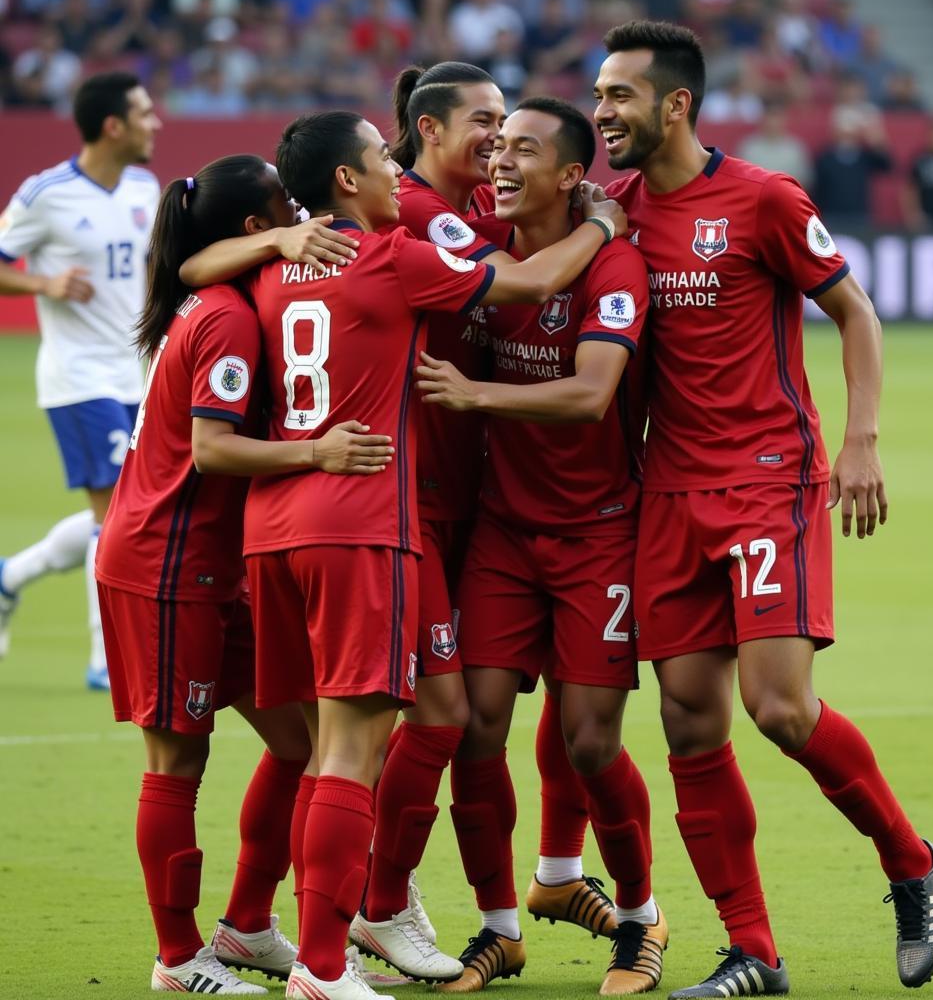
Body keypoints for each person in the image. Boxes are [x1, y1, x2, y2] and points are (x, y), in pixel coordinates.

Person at [192, 109, 626, 1000]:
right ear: (347, 182)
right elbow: (528, 279)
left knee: (326, 750)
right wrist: (601, 225)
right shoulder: (388, 256)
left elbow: (195, 269)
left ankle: (278, 932)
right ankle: (321, 965)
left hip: (275, 529)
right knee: (351, 753)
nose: (396, 172)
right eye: (378, 160)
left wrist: (278, 234)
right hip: (359, 521)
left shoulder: (278, 261)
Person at [593, 20, 933, 996]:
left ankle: (912, 859)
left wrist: (860, 437)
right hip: (666, 490)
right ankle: (753, 950)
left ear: (674, 103)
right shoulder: (612, 210)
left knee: (780, 708)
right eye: (596, 93)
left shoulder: (762, 199)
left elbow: (855, 312)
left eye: (618, 94)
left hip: (764, 480)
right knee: (688, 723)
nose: (601, 111)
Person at [347, 62, 620, 983]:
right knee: (437, 717)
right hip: (412, 499)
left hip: (478, 502)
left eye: (511, 129)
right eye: (485, 124)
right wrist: (602, 226)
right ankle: (375, 902)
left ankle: (532, 884)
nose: (497, 143)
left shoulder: (459, 210)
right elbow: (520, 279)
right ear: (428, 131)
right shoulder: (429, 217)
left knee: (501, 710)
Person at [95, 154, 395, 994]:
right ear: (258, 230)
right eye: (286, 207)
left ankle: (248, 926)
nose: (305, 213)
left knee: (298, 744)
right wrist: (318, 451)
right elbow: (214, 450)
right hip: (164, 559)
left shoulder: (221, 288)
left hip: (216, 564)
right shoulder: (225, 316)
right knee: (176, 762)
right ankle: (177, 957)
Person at [414, 97, 666, 997]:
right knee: (475, 729)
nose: (502, 161)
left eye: (525, 149)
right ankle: (499, 930)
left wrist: (473, 396)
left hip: (599, 536)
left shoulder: (619, 267)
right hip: (502, 536)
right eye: (498, 146)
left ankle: (640, 920)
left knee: (591, 743)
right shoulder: (479, 245)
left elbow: (593, 394)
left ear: (571, 175)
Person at [0, 72, 161, 687]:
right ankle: (106, 660)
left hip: (137, 375)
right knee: (120, 508)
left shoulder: (145, 187)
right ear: (114, 126)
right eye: (146, 113)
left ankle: (11, 577)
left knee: (127, 508)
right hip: (79, 376)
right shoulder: (47, 195)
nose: (157, 123)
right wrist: (44, 283)